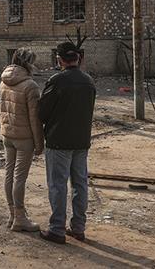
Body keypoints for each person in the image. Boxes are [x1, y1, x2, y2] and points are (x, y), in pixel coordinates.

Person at [38, 41, 96, 244]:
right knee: (80, 184)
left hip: (59, 140)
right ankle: (78, 228)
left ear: (59, 59)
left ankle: (57, 229)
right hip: (81, 141)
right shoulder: (88, 81)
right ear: (78, 58)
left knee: (58, 185)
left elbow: (41, 113)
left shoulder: (57, 81)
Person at [0, 47, 45, 232]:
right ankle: (20, 217)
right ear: (27, 63)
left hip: (7, 134)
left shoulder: (3, 81)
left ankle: (12, 215)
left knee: (9, 174)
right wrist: (39, 143)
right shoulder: (30, 86)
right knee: (20, 177)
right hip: (24, 137)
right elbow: (35, 118)